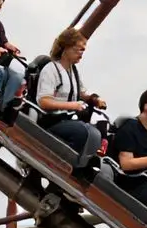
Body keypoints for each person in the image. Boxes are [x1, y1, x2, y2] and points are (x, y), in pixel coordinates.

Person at [34, 27, 106, 168]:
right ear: (66, 47)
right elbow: (43, 101)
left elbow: (81, 93)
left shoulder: (73, 72)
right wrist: (71, 106)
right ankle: (68, 165)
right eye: (79, 49)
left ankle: (85, 165)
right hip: (52, 121)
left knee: (98, 132)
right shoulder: (51, 70)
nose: (81, 54)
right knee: (83, 132)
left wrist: (95, 99)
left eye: (83, 51)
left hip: (69, 120)